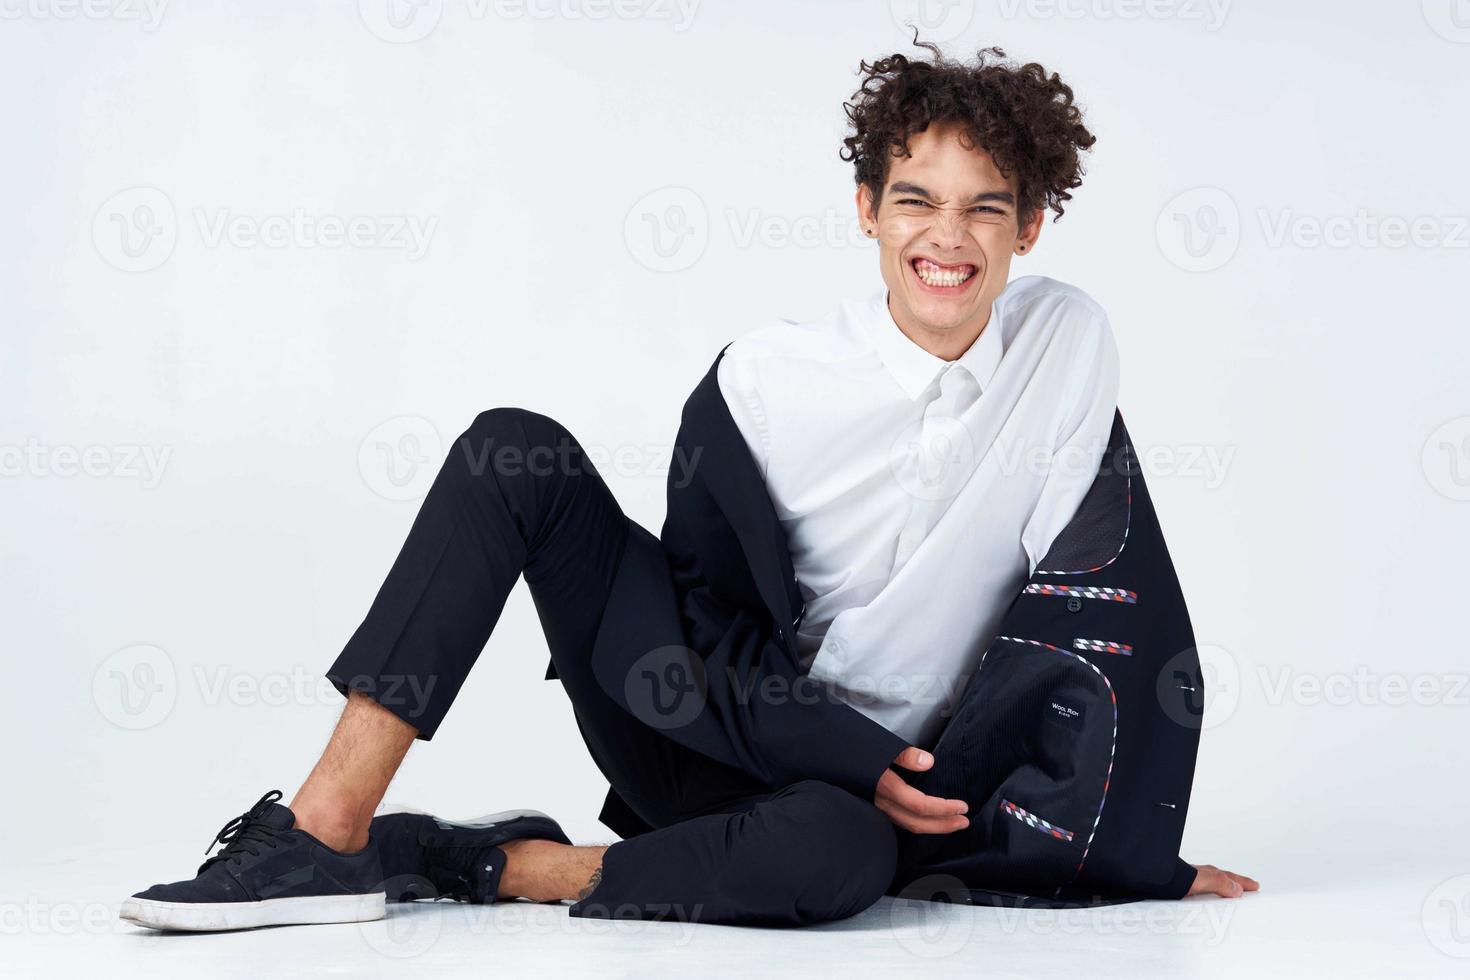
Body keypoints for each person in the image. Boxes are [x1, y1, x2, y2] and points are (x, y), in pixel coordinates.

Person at [120, 40, 1257, 933]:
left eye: (984, 207)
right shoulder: (767, 381)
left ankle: (488, 860)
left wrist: (1131, 851)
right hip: (703, 721)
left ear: (1032, 225)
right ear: (868, 209)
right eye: (915, 199)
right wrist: (844, 746)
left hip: (859, 800)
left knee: (842, 861)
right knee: (513, 448)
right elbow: (703, 639)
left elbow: (1118, 607)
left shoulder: (1066, 346)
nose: (946, 237)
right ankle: (322, 828)